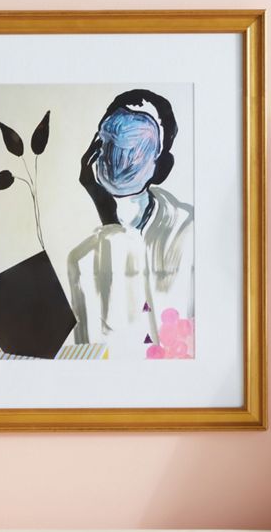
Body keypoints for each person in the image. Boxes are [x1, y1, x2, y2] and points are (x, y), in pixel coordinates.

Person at [67, 89, 194, 360]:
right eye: (110, 141)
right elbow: (93, 356)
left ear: (162, 166)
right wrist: (111, 223)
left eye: (140, 145)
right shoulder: (82, 260)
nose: (121, 156)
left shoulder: (189, 232)